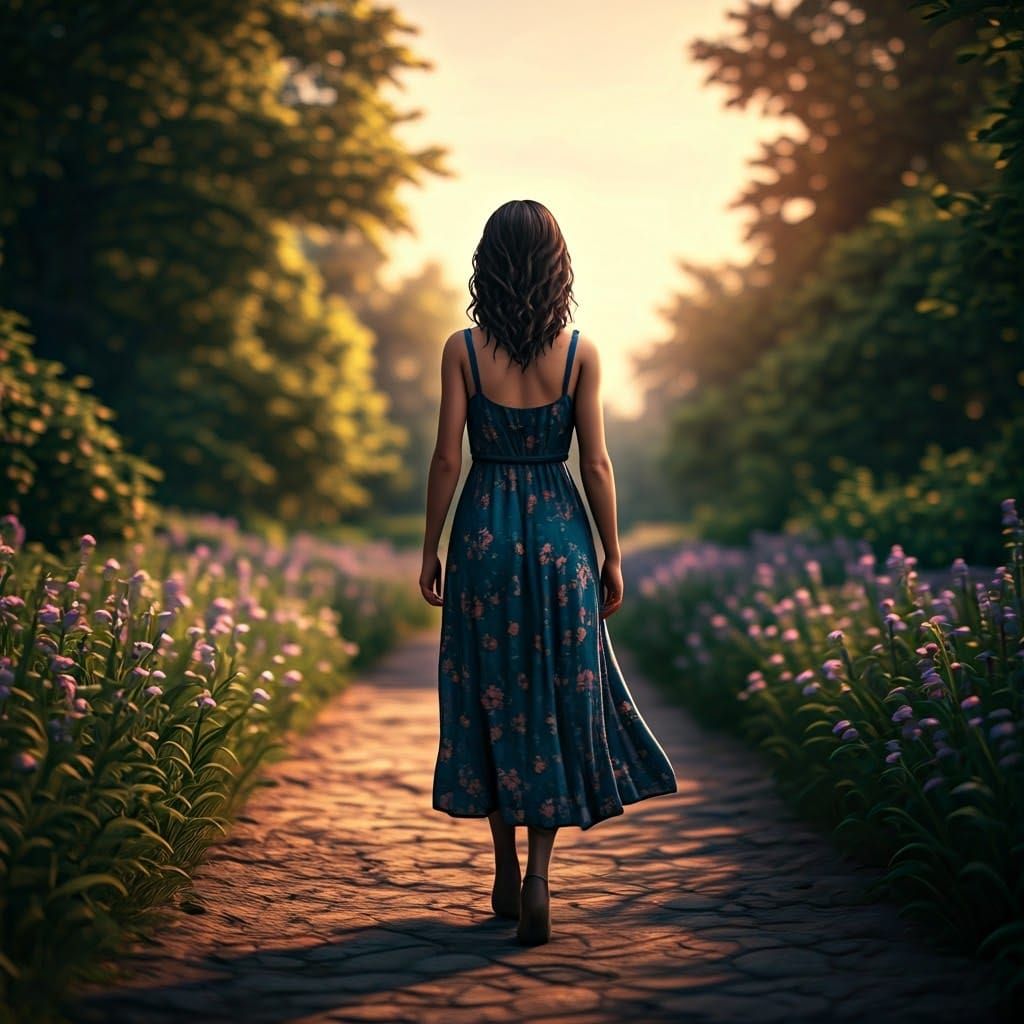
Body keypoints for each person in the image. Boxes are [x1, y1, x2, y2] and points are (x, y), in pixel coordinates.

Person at [419, 199, 677, 946]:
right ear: (558, 264)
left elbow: (446, 459)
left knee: (489, 695)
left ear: (487, 263)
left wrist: (430, 546)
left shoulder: (461, 349)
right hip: (561, 538)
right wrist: (612, 553)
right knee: (552, 700)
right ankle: (538, 873)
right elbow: (594, 462)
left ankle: (500, 866)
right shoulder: (580, 352)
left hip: (484, 539)